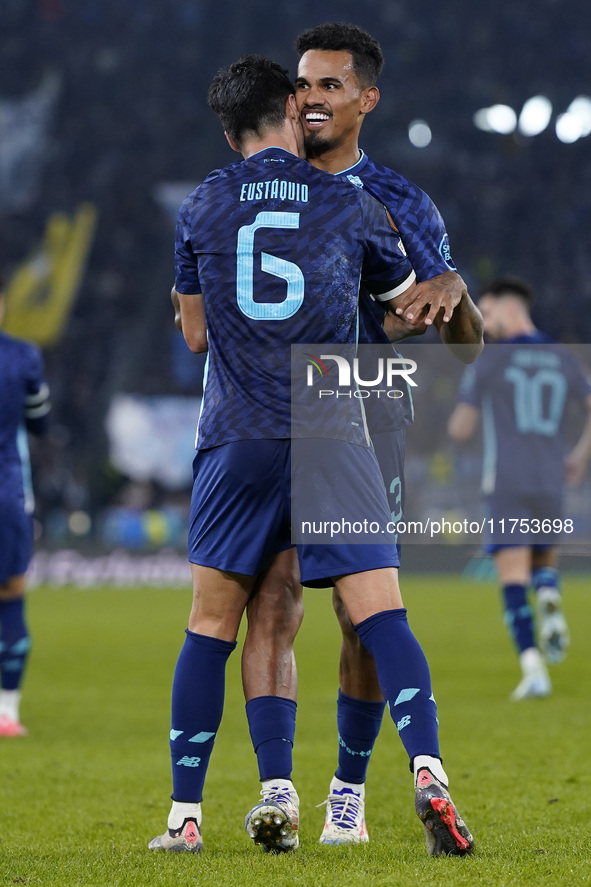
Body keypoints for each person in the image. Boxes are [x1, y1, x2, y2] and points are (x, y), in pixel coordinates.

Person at [149, 54, 473, 859]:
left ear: (229, 132)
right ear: (292, 112)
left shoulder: (202, 202)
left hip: (238, 432)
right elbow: (407, 307)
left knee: (215, 622)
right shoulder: (351, 203)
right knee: (380, 616)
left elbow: (193, 335)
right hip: (335, 426)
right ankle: (427, 769)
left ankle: (187, 816)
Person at [238, 21, 483, 848]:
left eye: (329, 86)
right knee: (271, 598)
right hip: (270, 420)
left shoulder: (401, 202)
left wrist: (455, 291)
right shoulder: (263, 184)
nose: (309, 99)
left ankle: (346, 795)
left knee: (359, 617)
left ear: (365, 99)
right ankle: (278, 792)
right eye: (302, 85)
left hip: (368, 418)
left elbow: (464, 340)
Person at [448, 276, 591, 700]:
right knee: (543, 562)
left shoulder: (490, 360)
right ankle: (547, 590)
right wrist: (580, 457)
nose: (483, 323)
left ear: (509, 309)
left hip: (506, 479)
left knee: (511, 578)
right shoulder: (562, 357)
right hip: (551, 477)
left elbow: (460, 428)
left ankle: (534, 671)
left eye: (486, 313)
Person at [0, 274, 50, 736]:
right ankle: (8, 713)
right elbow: (40, 419)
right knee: (11, 597)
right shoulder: (21, 355)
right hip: (9, 495)